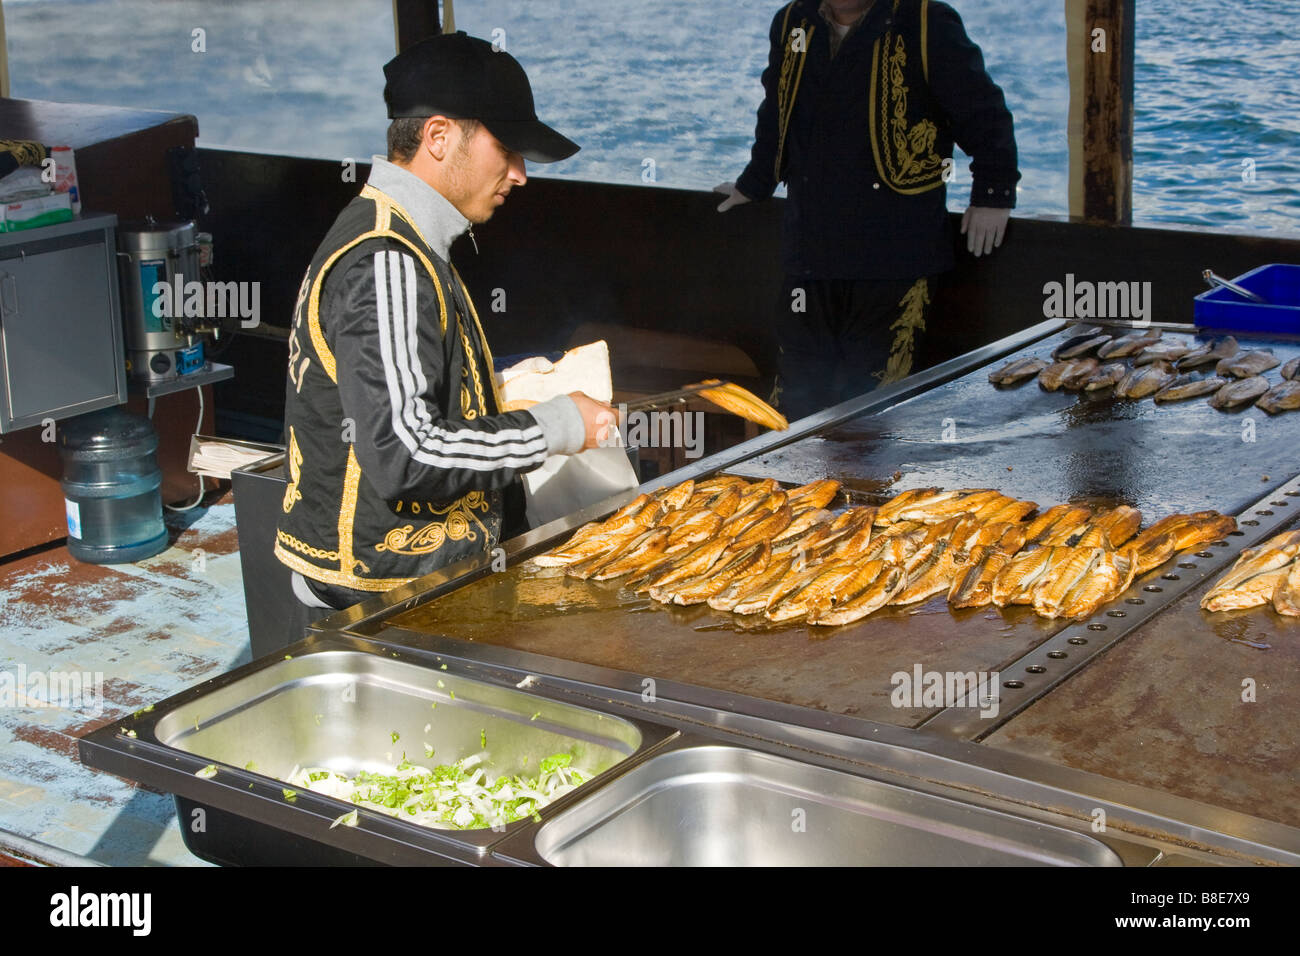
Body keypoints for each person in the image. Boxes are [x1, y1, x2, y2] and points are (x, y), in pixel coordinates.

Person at [277, 32, 614, 613]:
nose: (520, 173)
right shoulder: (386, 260)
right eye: (507, 148)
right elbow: (405, 453)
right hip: (384, 598)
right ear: (437, 136)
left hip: (417, 582)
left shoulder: (405, 237)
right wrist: (556, 424)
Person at [716, 0, 1020, 420]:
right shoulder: (792, 22)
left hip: (892, 260)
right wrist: (754, 183)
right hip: (810, 258)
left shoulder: (926, 21)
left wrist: (993, 194)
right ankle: (794, 486)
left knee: (877, 410)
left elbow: (984, 114)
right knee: (796, 402)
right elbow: (777, 113)